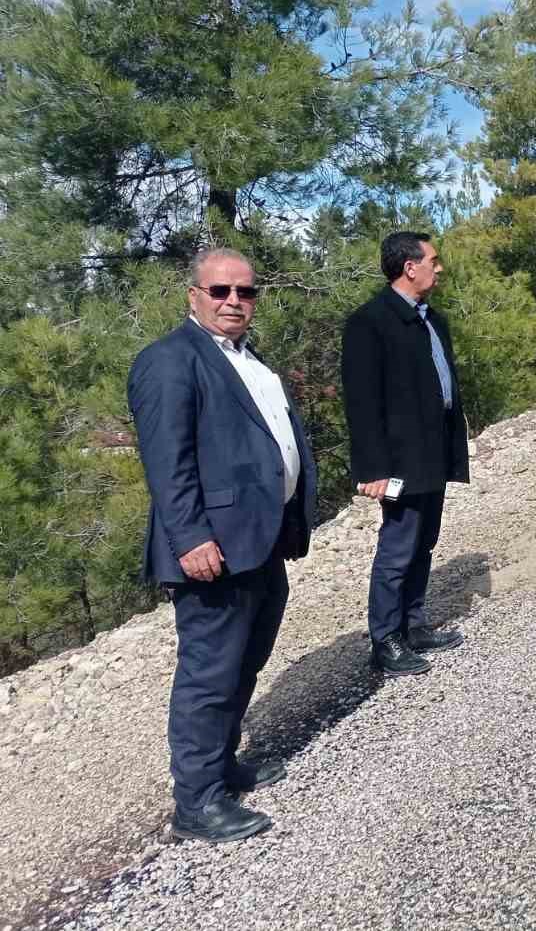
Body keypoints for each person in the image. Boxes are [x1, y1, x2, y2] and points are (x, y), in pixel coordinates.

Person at [128, 248, 317, 843]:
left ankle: (223, 766)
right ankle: (197, 802)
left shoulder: (248, 359)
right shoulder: (168, 361)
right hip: (213, 548)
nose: (234, 301)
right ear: (194, 295)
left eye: (246, 292)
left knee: (245, 661)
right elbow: (167, 461)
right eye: (220, 291)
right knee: (209, 674)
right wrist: (190, 537)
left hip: (259, 542)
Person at [341, 231, 469, 677]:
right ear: (409, 267)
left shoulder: (433, 319)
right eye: (433, 260)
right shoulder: (370, 322)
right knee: (397, 547)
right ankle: (386, 641)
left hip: (433, 451)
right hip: (398, 460)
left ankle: (414, 627)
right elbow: (361, 403)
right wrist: (373, 468)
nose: (439, 267)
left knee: (424, 544)